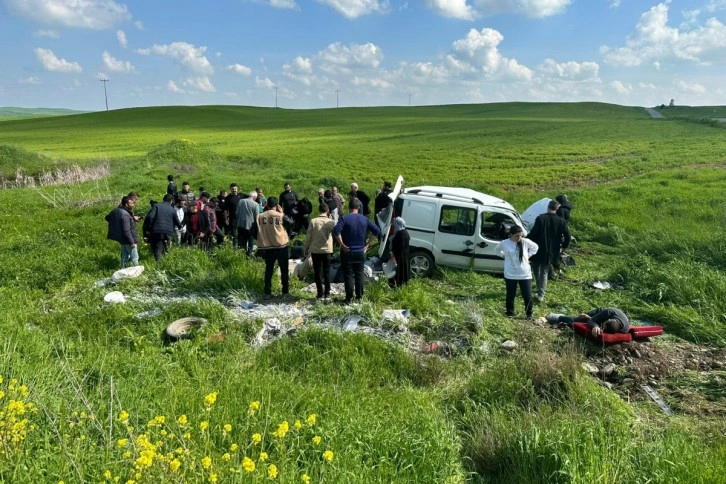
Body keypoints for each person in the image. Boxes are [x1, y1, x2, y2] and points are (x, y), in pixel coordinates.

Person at [334, 198, 380, 304]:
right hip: (360, 252)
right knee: (359, 275)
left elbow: (336, 231)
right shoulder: (364, 219)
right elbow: (377, 230)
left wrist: (342, 244)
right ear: (358, 208)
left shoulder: (344, 218)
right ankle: (359, 298)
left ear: (349, 208)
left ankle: (349, 298)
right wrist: (368, 244)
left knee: (348, 275)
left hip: (347, 252)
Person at [527, 199, 570, 302]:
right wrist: (564, 247)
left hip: (538, 248)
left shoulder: (541, 218)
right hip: (553, 250)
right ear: (557, 208)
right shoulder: (561, 221)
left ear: (548, 207)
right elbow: (568, 235)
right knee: (544, 272)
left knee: (536, 269)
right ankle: (541, 294)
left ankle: (539, 290)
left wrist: (525, 241)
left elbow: (533, 234)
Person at [495, 225, 539, 319]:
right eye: (517, 236)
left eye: (521, 235)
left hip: (525, 274)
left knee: (527, 295)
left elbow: (535, 247)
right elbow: (497, 250)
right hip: (510, 274)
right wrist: (505, 256)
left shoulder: (525, 242)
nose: (519, 238)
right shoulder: (504, 243)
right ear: (510, 234)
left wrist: (528, 256)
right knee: (510, 295)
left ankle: (529, 314)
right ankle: (510, 313)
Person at [256, 197, 291, 300]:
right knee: (284, 270)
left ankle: (267, 292)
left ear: (266, 205)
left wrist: (262, 239)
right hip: (281, 246)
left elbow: (253, 230)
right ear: (277, 205)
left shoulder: (260, 216)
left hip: (267, 247)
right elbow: (291, 224)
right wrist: (282, 212)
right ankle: (285, 292)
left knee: (268, 270)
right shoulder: (280, 216)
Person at [304, 203, 336, 300]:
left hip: (315, 250)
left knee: (317, 272)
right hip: (327, 250)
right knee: (326, 271)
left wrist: (306, 249)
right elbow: (335, 235)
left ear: (319, 210)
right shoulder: (331, 222)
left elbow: (308, 237)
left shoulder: (313, 221)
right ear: (327, 211)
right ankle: (327, 293)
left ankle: (319, 293)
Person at [146, 194, 183, 261]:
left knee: (158, 249)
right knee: (167, 248)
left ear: (163, 199)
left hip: (157, 231)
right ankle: (168, 261)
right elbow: (176, 220)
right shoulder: (172, 209)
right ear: (171, 201)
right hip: (168, 231)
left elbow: (150, 217)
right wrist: (180, 226)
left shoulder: (156, 206)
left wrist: (148, 228)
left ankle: (159, 264)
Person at [546, 307, 630, 336]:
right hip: (600, 312)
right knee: (577, 320)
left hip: (609, 319)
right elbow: (592, 320)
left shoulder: (625, 329)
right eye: (603, 326)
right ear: (608, 320)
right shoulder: (608, 312)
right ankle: (557, 317)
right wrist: (595, 325)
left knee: (585, 320)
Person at [106, 196, 139, 268]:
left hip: (121, 239)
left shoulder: (116, 210)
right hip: (128, 239)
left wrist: (117, 224)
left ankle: (123, 270)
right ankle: (137, 270)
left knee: (124, 256)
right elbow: (126, 230)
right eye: (131, 203)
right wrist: (132, 242)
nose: (133, 205)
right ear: (126, 204)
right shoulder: (125, 214)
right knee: (134, 257)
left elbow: (107, 217)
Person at [236, 191, 259, 256]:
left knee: (241, 240)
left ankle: (241, 254)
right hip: (250, 225)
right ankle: (249, 255)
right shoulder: (255, 204)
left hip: (240, 224)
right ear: (254, 197)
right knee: (250, 240)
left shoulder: (241, 201)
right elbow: (256, 216)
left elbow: (237, 212)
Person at [390, 216, 411, 287]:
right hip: (403, 255)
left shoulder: (401, 234)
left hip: (400, 256)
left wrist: (393, 253)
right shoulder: (404, 232)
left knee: (400, 270)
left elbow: (399, 246)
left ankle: (398, 284)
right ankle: (401, 283)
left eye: (395, 224)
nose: (394, 226)